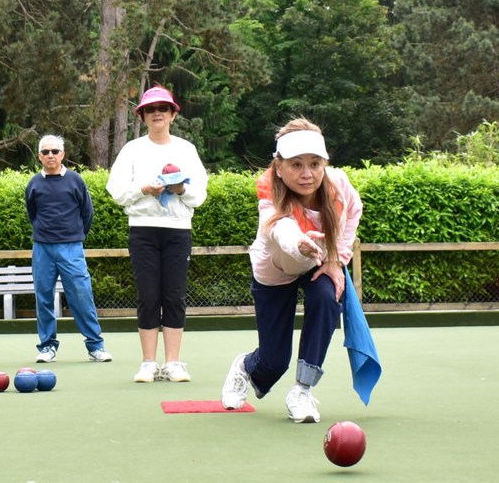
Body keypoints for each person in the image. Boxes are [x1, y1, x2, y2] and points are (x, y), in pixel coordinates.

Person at [220, 118, 363, 422]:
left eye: (314, 163)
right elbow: (280, 229)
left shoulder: (338, 184)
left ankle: (302, 391)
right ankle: (245, 366)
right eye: (296, 165)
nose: (307, 174)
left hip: (318, 261)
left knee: (327, 297)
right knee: (273, 362)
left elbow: (353, 212)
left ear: (325, 163)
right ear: (279, 167)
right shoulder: (269, 193)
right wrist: (300, 243)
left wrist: (336, 259)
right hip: (275, 268)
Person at [106, 86, 208, 383]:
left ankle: (173, 363)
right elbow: (116, 190)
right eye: (151, 110)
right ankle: (149, 363)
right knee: (148, 296)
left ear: (173, 114)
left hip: (178, 231)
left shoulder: (186, 150)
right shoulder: (132, 150)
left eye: (163, 108)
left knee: (174, 296)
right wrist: (144, 189)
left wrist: (181, 189)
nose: (157, 114)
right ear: (143, 116)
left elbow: (199, 194)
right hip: (143, 230)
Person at [25, 134, 113, 364]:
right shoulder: (33, 184)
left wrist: (75, 236)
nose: (50, 155)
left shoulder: (75, 181)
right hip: (42, 249)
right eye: (45, 152)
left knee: (81, 296)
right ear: (39, 156)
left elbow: (88, 213)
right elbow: (32, 213)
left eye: (55, 151)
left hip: (72, 248)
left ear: (63, 154)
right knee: (43, 297)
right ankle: (47, 347)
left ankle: (95, 346)